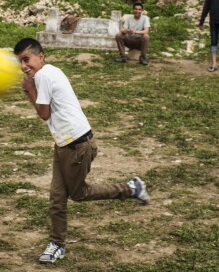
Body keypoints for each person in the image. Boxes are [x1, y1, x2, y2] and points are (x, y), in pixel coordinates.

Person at [15, 38, 150, 263]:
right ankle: (57, 245)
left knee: (78, 194)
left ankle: (131, 188)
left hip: (77, 145)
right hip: (65, 143)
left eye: (27, 59)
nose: (24, 66)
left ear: (41, 56)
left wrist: (29, 90)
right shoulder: (49, 72)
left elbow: (44, 114)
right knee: (57, 198)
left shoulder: (44, 76)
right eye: (20, 61)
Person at [115, 1, 151, 66]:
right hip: (130, 40)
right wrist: (126, 30)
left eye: (139, 9)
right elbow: (123, 29)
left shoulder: (145, 18)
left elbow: (146, 31)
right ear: (133, 10)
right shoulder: (129, 18)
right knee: (118, 35)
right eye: (136, 9)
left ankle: (142, 58)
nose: (137, 11)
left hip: (140, 41)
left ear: (142, 11)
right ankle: (123, 57)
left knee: (146, 36)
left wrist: (135, 31)